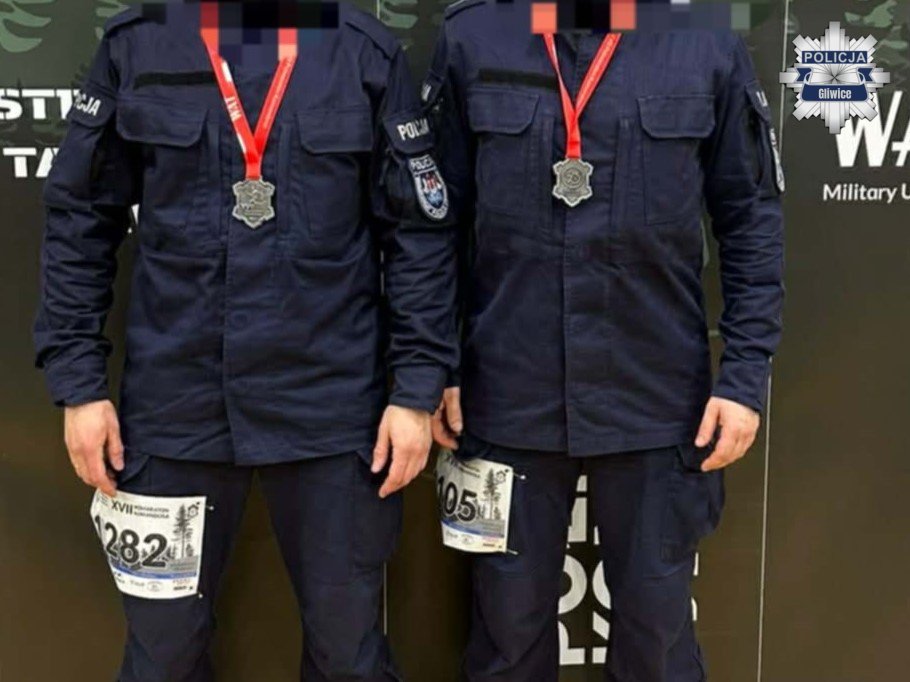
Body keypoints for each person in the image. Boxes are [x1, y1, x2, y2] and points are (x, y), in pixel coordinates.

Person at [33, 2, 457, 680]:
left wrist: (415, 390)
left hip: (331, 407)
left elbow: (417, 235)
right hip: (174, 408)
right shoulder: (139, 44)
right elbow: (80, 221)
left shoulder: (361, 51)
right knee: (162, 660)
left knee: (349, 656)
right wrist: (79, 385)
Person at [426, 1, 785, 680]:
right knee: (505, 643)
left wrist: (744, 375)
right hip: (506, 397)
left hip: (657, 398)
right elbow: (433, 223)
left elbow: (751, 218)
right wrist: (435, 364)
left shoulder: (704, 42)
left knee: (658, 643)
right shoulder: (473, 36)